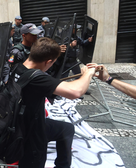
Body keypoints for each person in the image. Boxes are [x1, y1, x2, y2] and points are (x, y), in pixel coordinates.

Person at [14, 37, 98, 168]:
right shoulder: (36, 78)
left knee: (66, 129)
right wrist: (88, 73)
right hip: (30, 132)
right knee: (34, 161)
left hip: (22, 121)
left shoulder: (17, 67)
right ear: (48, 62)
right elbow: (75, 92)